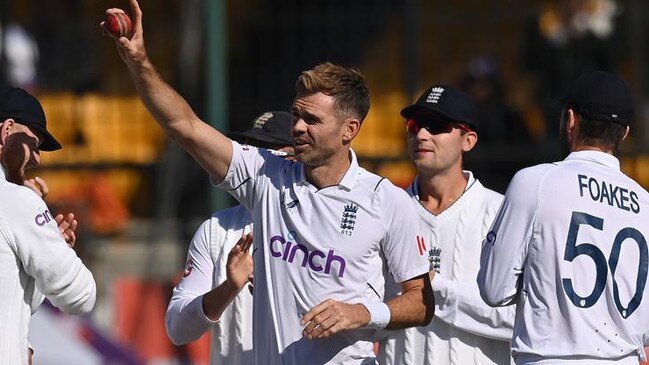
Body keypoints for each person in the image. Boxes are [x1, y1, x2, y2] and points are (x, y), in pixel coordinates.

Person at [104, 1, 434, 364]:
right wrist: (139, 63)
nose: (297, 127)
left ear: (349, 130)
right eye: (296, 114)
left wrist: (361, 313)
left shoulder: (387, 201)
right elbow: (186, 126)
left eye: (312, 119)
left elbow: (421, 301)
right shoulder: (267, 176)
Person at [478, 70, 649, 364]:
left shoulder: (535, 181)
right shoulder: (645, 203)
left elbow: (494, 289)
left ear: (570, 120)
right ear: (624, 133)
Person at [377, 85, 515, 365]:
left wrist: (434, 286)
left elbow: (520, 320)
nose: (422, 135)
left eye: (437, 125)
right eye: (414, 126)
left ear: (469, 140)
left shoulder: (501, 212)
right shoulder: (381, 210)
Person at [165, 111, 295, 365]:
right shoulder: (217, 229)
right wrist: (229, 288)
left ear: (294, 158)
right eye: (249, 151)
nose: (255, 162)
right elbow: (177, 329)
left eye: (266, 152)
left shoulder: (322, 222)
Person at [0, 85, 96, 365]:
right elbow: (80, 296)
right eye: (34, 143)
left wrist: (42, 250)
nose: (38, 158)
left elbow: (10, 298)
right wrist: (53, 245)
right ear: (7, 130)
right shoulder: (18, 200)